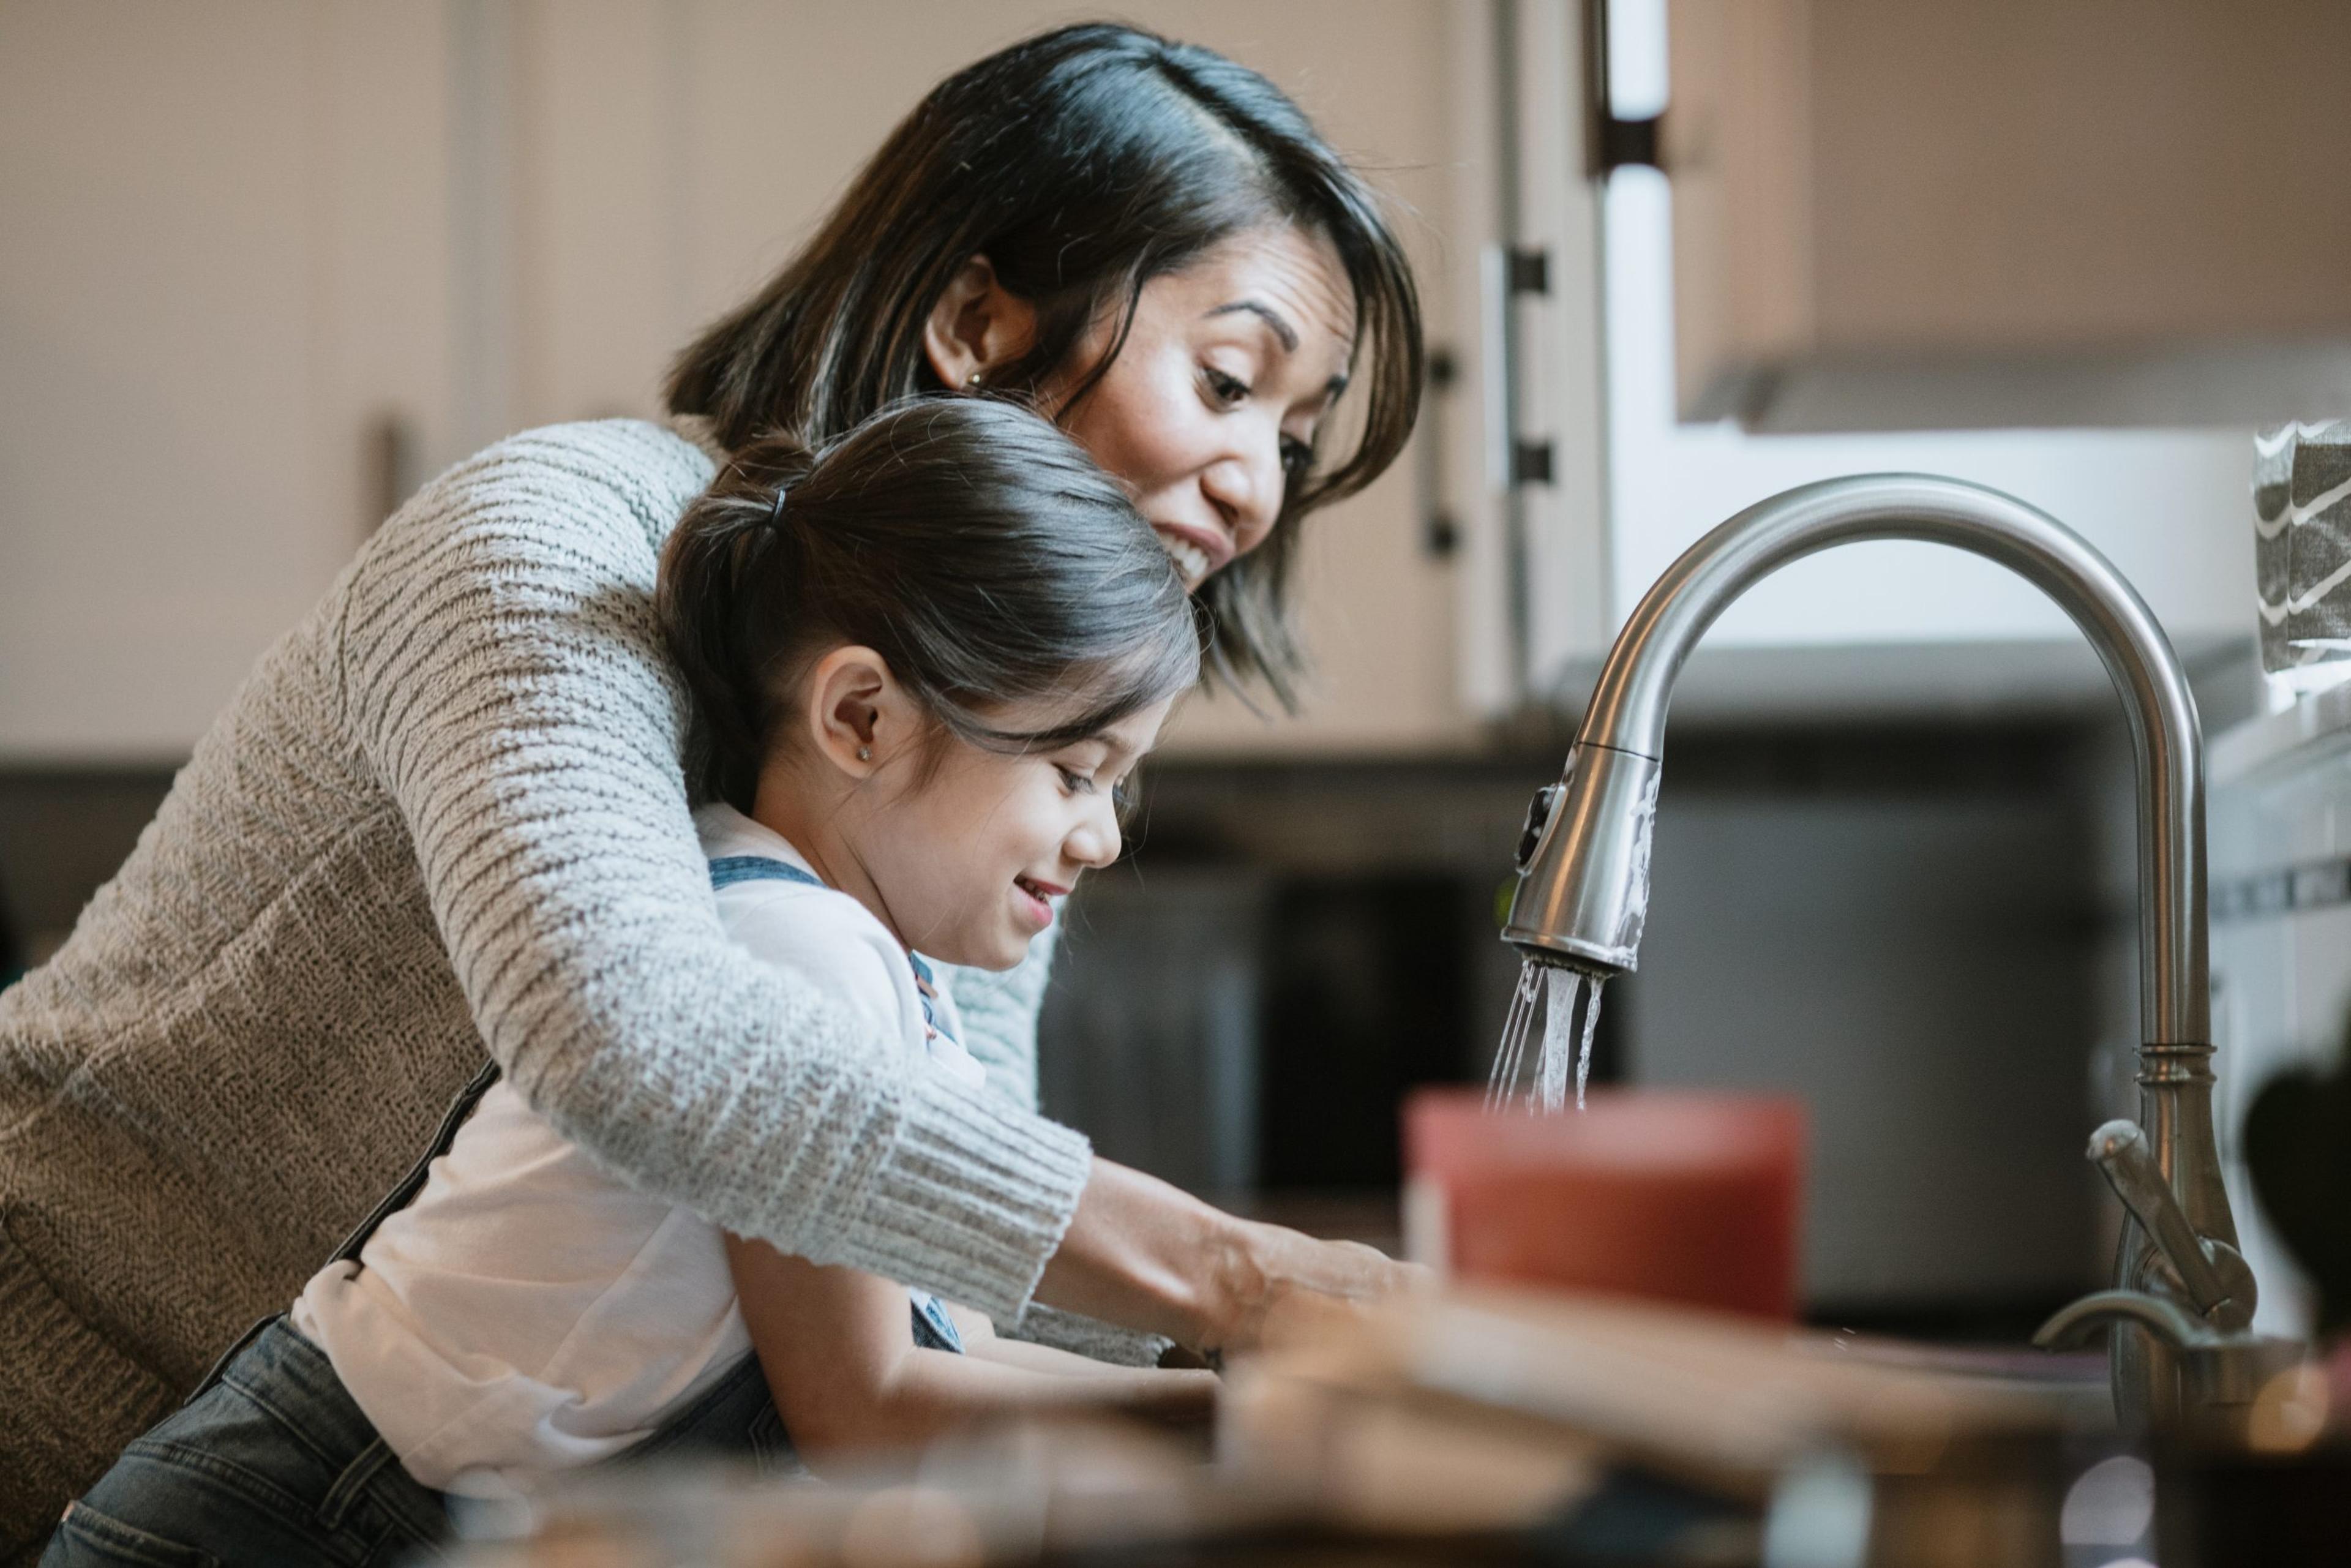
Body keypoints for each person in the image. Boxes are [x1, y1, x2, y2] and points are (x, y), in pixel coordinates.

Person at [0, 22, 1423, 1558]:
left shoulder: (949, 767)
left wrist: (1311, 1409)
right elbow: (627, 1038)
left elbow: (926, 1251)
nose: (1260, 487)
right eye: (1227, 381)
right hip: (64, 1414)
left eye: (1294, 429)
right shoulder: (555, 545)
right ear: (972, 318)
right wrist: (1241, 1285)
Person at [46, 401, 1223, 1562]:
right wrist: (1235, 1419)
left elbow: (945, 1345)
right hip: (286, 1526)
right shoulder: (797, 956)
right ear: (862, 715)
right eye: (1076, 771)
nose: (1103, 836)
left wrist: (1220, 1402)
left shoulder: (860, 952)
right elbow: (867, 1407)